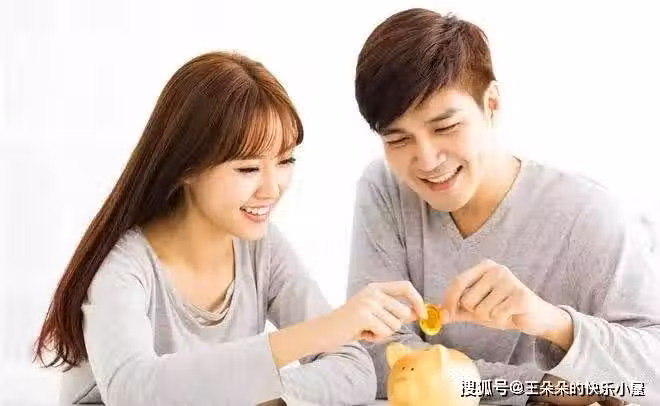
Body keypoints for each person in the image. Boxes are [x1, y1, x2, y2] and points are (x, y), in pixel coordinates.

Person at [33, 51, 428, 406]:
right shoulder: (125, 266)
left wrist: (271, 398)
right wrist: (323, 330)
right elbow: (133, 392)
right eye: (248, 168)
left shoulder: (262, 249)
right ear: (186, 167)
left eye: (285, 161)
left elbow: (355, 369)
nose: (272, 189)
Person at [347, 8, 660, 406]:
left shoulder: (588, 214)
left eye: (445, 127)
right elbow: (373, 354)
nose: (426, 159)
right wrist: (539, 388)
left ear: (491, 104)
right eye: (398, 140)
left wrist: (554, 323)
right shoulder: (386, 189)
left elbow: (652, 376)